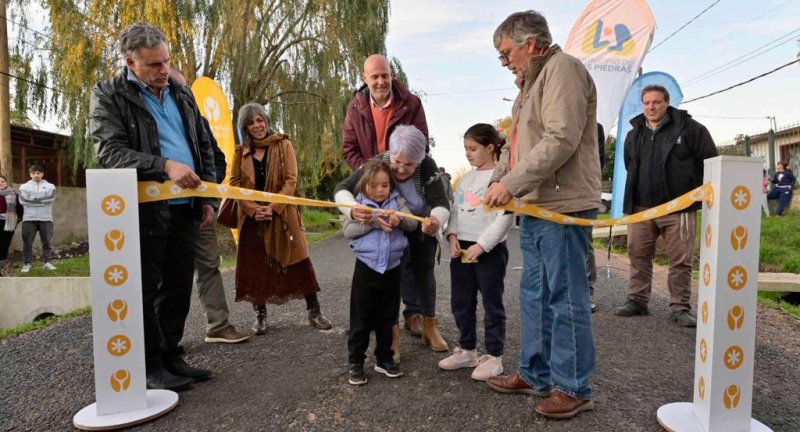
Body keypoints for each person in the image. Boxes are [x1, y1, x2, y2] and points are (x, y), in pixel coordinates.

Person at [483, 11, 600, 419]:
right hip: (535, 206)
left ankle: (573, 387)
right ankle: (535, 374)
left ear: (530, 44)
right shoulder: (528, 87)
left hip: (562, 206)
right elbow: (514, 148)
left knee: (565, 298)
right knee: (534, 294)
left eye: (505, 54)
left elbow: (560, 139)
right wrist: (497, 180)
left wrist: (509, 184)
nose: (506, 63)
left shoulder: (563, 70)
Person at [90, 22, 216, 391]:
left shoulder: (181, 92)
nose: (164, 70)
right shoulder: (109, 94)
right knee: (146, 288)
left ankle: (172, 356)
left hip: (186, 206)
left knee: (178, 285)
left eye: (166, 62)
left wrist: (207, 197)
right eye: (153, 65)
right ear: (130, 63)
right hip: (144, 211)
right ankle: (150, 366)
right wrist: (164, 167)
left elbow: (203, 145)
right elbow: (109, 152)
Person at [336, 125, 450, 360]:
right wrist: (353, 210)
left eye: (410, 165)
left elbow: (441, 201)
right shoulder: (379, 162)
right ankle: (392, 334)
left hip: (420, 225)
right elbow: (342, 189)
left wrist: (435, 221)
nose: (401, 168)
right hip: (389, 229)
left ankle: (430, 325)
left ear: (420, 160)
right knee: (393, 281)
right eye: (398, 161)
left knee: (425, 272)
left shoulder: (427, 165)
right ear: (390, 153)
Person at [613, 84, 718, 327]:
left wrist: (694, 193)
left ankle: (680, 308)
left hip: (678, 209)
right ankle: (637, 301)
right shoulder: (634, 134)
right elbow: (631, 164)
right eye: (647, 103)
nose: (651, 107)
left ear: (667, 103)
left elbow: (710, 160)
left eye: (656, 102)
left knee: (680, 260)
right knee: (638, 256)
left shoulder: (690, 129)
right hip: (641, 209)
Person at [342, 54, 430, 340]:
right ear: (365, 78)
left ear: (391, 75)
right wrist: (370, 174)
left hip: (403, 176)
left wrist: (401, 166)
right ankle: (383, 321)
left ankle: (416, 313)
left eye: (384, 75)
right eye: (374, 76)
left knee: (411, 244)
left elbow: (421, 141)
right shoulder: (355, 106)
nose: (380, 81)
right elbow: (349, 147)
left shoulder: (411, 102)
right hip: (374, 180)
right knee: (379, 242)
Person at [231, 103, 332, 334]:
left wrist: (273, 207)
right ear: (244, 126)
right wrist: (254, 209)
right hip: (252, 218)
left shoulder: (283, 144)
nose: (257, 125)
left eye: (260, 120)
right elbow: (234, 185)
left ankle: (314, 310)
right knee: (255, 266)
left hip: (283, 215)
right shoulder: (240, 152)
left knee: (299, 262)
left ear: (266, 121)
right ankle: (260, 315)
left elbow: (291, 181)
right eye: (251, 122)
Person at [167, 68, 250, 344]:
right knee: (170, 274)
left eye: (181, 89)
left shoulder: (198, 121)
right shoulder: (152, 124)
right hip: (164, 212)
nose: (176, 94)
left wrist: (210, 201)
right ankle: (167, 342)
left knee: (209, 265)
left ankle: (219, 325)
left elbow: (217, 159)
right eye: (171, 88)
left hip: (199, 209)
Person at [439, 124, 513, 382]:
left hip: (488, 251)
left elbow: (504, 219)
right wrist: (451, 236)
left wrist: (481, 246)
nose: (468, 154)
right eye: (466, 149)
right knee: (461, 302)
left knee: (492, 303)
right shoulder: (466, 179)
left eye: (473, 149)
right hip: (462, 251)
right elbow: (456, 211)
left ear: (490, 147)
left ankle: (494, 356)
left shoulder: (501, 178)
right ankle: (467, 350)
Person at [342, 160, 418, 385]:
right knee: (361, 317)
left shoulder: (398, 201)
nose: (379, 190)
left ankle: (384, 358)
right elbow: (348, 231)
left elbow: (413, 225)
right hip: (366, 268)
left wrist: (400, 219)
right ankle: (356, 360)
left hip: (393, 268)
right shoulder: (358, 206)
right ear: (364, 185)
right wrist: (372, 221)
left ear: (390, 185)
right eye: (373, 185)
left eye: (384, 185)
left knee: (388, 316)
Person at [18, 164, 57, 273]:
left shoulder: (50, 186)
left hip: (46, 218)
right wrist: (41, 201)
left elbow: (51, 198)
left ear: (42, 174)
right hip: (29, 218)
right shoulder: (24, 187)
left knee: (47, 242)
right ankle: (27, 264)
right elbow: (23, 201)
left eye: (38, 173)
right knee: (27, 242)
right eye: (34, 173)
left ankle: (47, 262)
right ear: (30, 174)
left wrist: (33, 200)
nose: (36, 175)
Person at [0, 174, 21, 274]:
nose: (0, 183)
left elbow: (20, 208)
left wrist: (18, 219)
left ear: (6, 183)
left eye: (2, 181)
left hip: (9, 222)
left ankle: (2, 264)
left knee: (5, 243)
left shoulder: (13, 194)